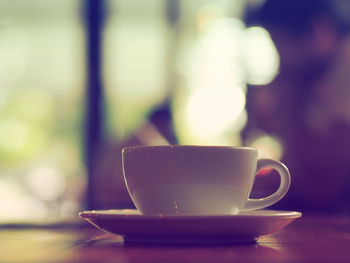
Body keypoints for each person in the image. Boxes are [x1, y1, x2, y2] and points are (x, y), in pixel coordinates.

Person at [243, 0, 350, 213]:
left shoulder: (344, 69)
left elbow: (322, 188)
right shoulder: (314, 76)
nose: (280, 56)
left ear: (318, 30)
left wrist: (287, 102)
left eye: (280, 41)